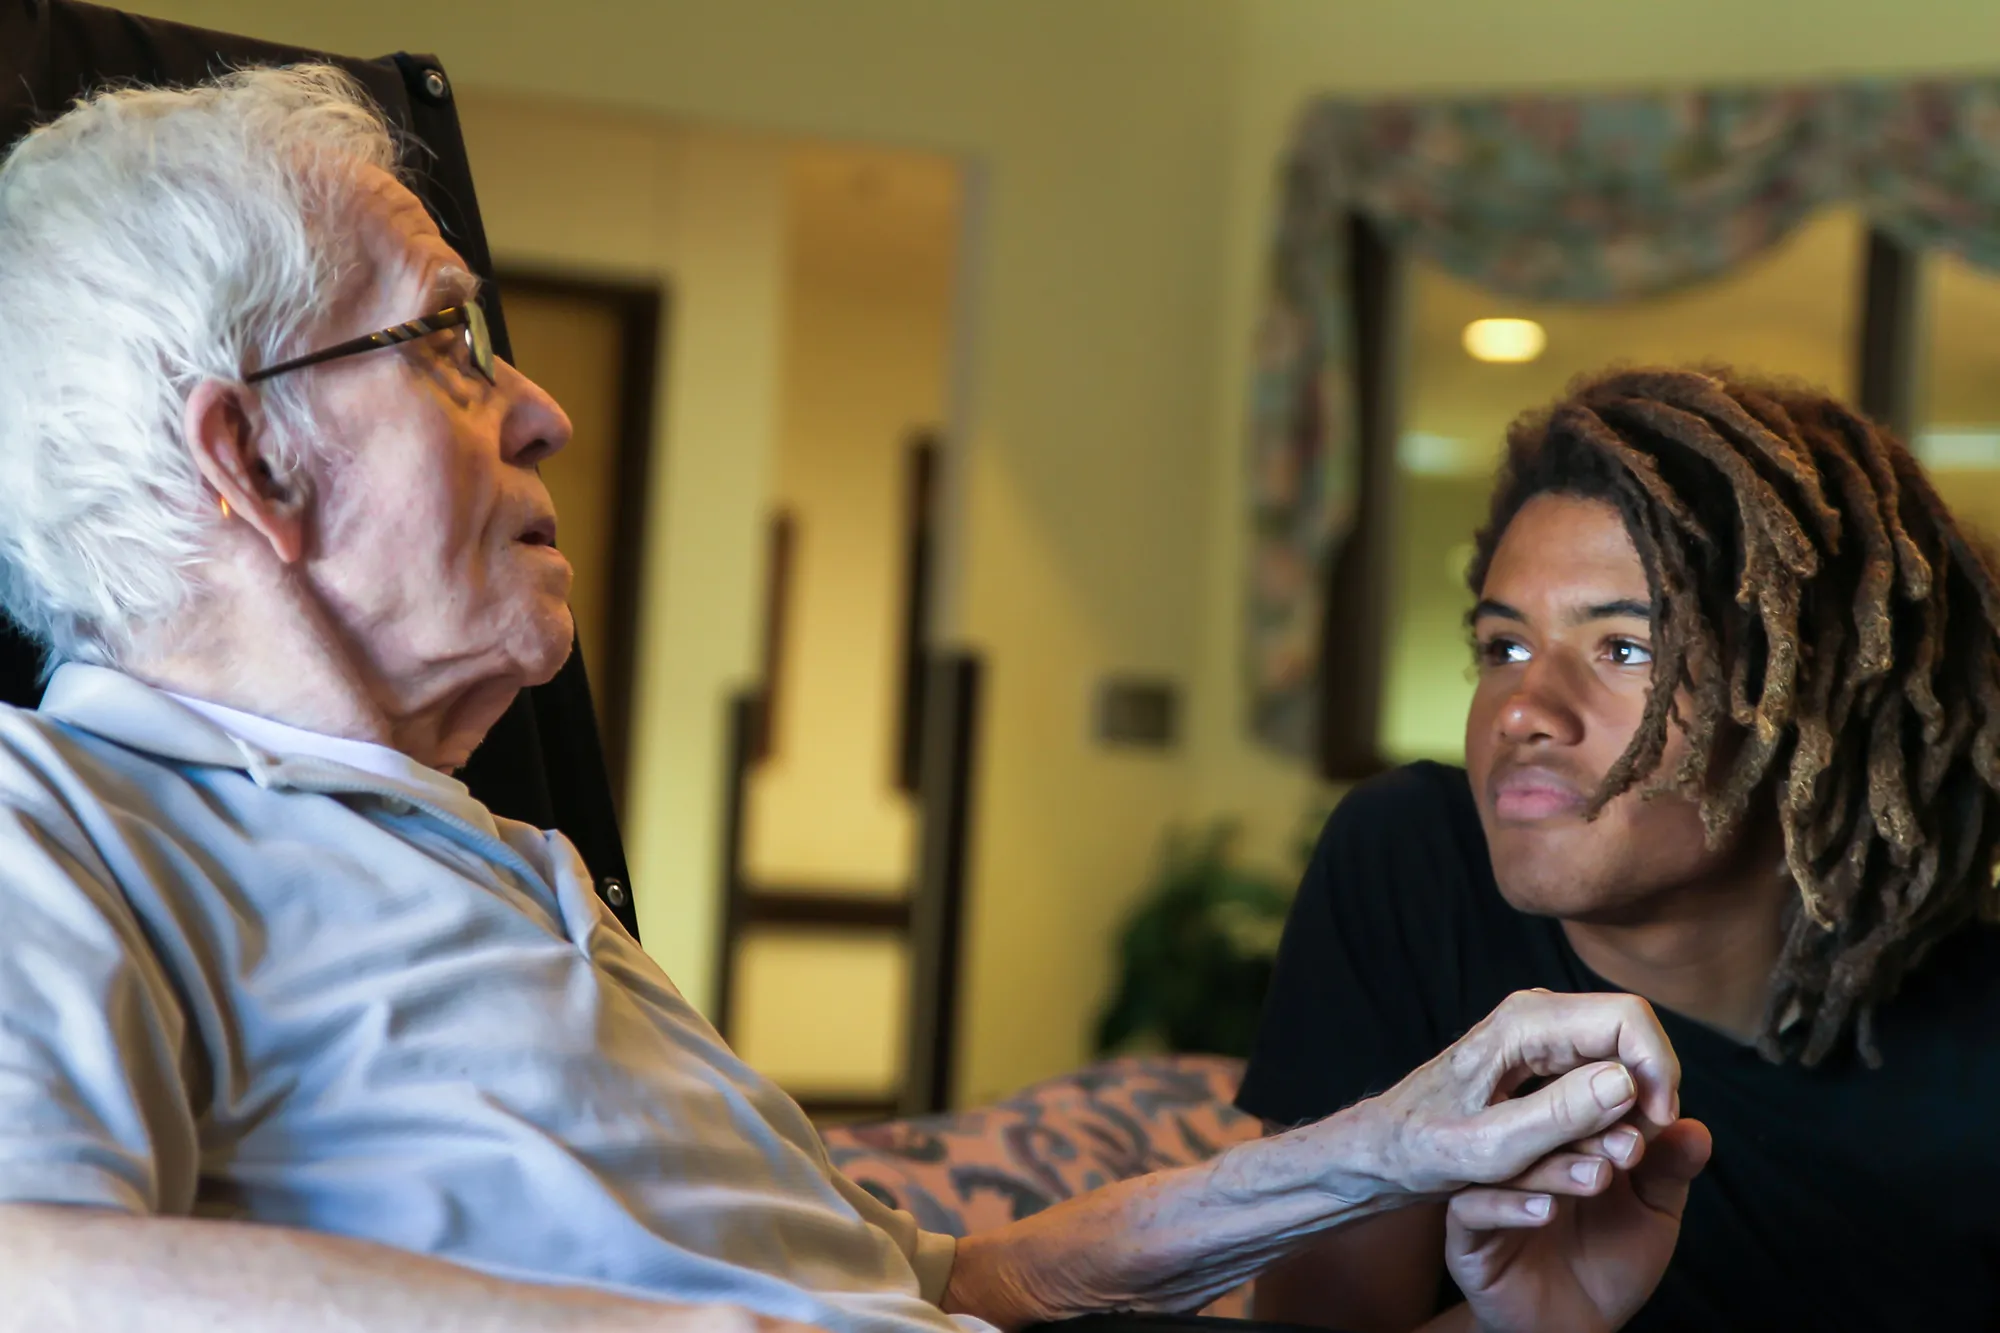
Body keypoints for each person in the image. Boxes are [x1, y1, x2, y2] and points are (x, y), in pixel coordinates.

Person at [0, 66, 1706, 1333]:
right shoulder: (64, 819)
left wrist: (1401, 1143)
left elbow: (946, 1273)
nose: (538, 412)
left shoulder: (485, 852)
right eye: (446, 337)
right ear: (252, 459)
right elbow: (34, 1266)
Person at [1240, 366, 2000, 1333]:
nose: (1522, 711)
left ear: (1808, 711)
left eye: (1626, 649)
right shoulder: (1415, 867)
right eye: (1504, 646)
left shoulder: (1975, 1047)